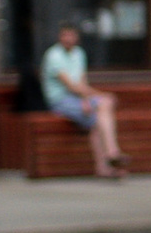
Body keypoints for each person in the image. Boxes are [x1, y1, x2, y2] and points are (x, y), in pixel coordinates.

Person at [40, 22, 124, 177]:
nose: (68, 39)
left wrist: (86, 100)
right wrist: (99, 95)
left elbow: (82, 82)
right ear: (60, 37)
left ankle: (105, 166)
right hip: (60, 101)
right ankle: (112, 153)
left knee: (100, 118)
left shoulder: (79, 54)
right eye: (65, 35)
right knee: (104, 103)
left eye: (71, 35)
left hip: (77, 99)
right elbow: (70, 86)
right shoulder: (54, 55)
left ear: (76, 37)